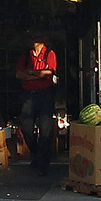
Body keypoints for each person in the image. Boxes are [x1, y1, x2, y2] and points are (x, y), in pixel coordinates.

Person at [15, 36, 58, 177]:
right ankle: (36, 154)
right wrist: (38, 75)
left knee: (45, 129)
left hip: (45, 94)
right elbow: (19, 74)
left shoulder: (49, 53)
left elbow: (49, 73)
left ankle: (43, 164)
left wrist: (32, 73)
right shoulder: (26, 56)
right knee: (26, 126)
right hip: (28, 94)